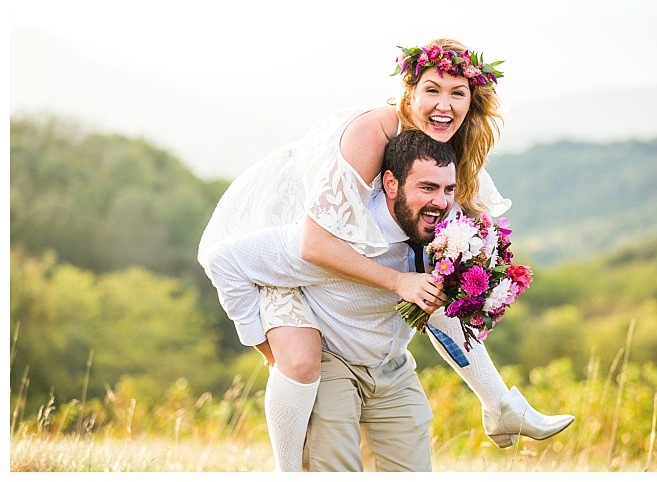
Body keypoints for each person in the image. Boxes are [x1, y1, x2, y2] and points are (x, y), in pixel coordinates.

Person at [197, 39, 571, 471]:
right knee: (298, 362)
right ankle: (287, 471)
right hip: (276, 239)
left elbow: (437, 250)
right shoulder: (372, 132)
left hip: (346, 282)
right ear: (409, 91)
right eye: (432, 89)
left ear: (473, 100)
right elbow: (315, 243)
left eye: (457, 93)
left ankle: (500, 403)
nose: (444, 104)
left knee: (436, 283)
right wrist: (267, 345)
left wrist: (472, 267)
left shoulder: (447, 146)